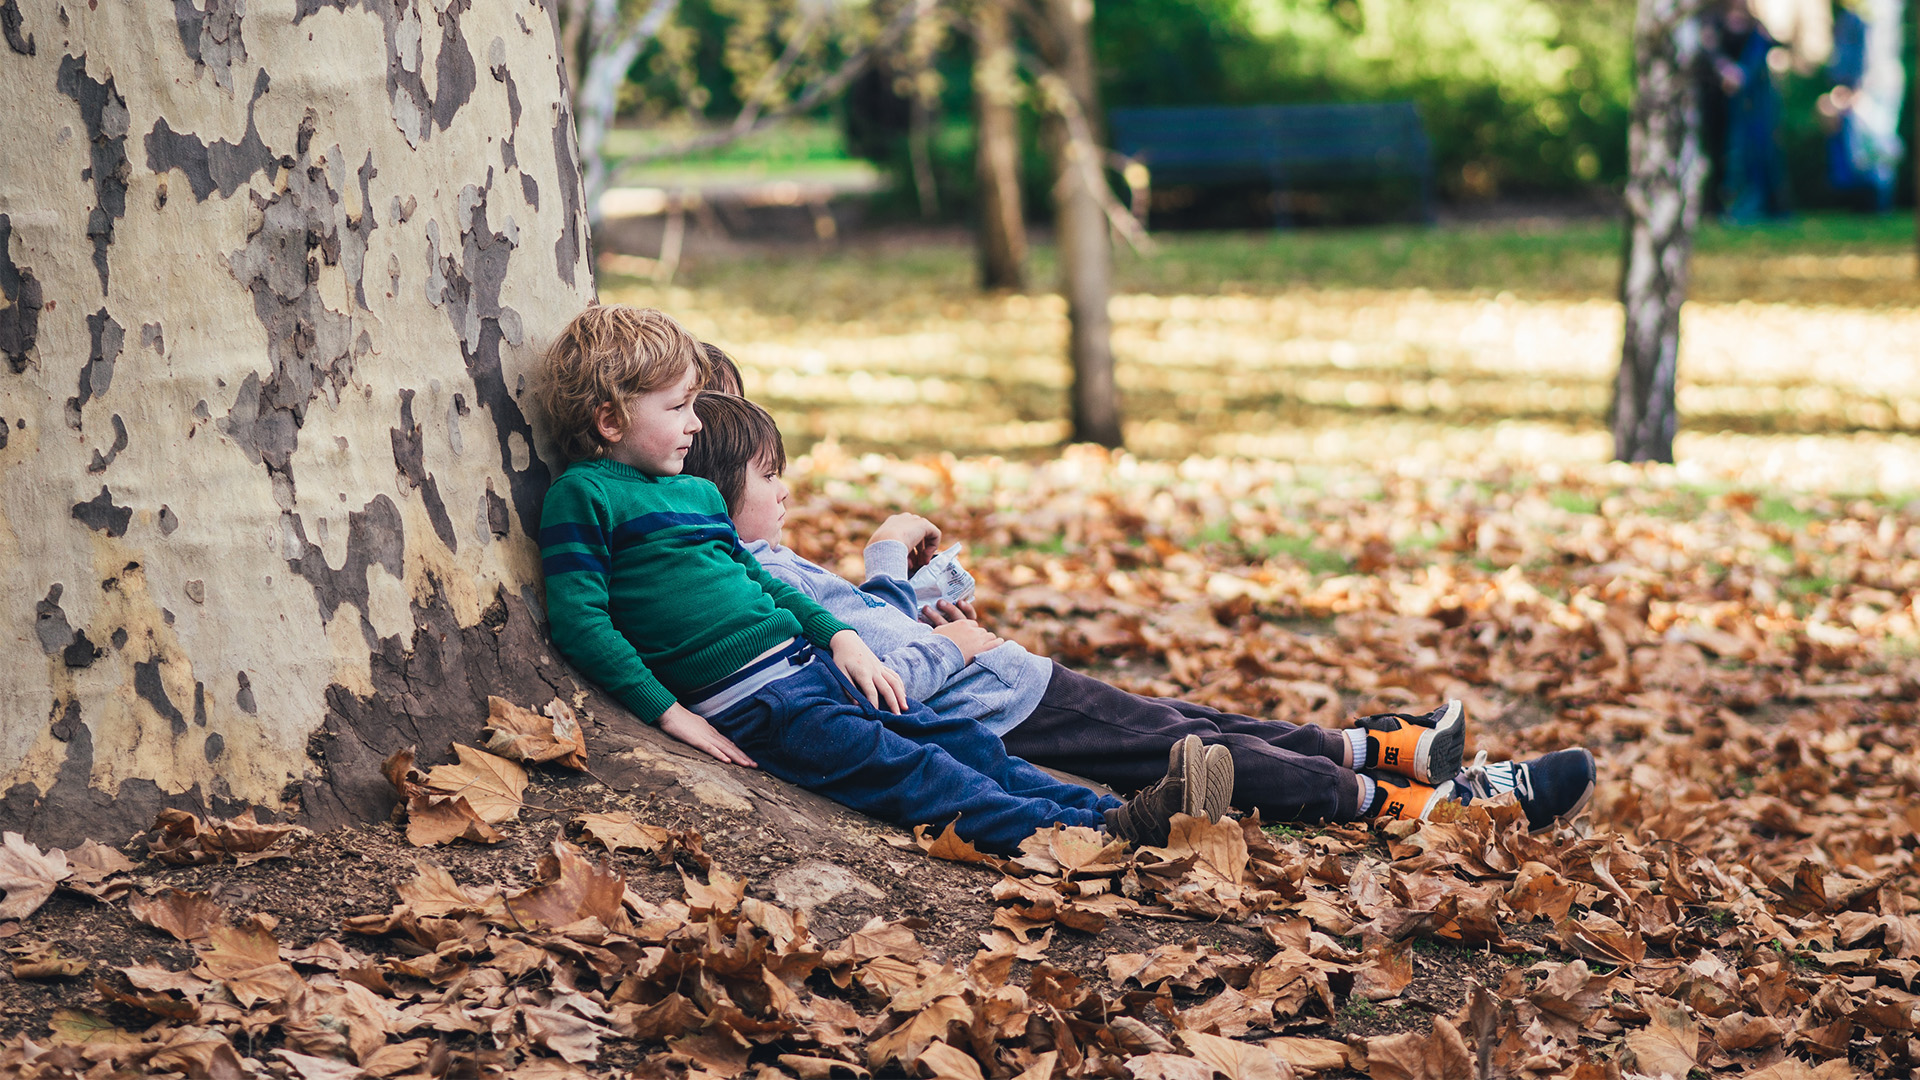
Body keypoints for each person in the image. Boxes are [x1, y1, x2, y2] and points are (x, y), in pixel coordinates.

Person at [678, 389, 1600, 833]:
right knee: (1199, 752)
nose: (788, 491)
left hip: (1009, 680)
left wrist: (923, 599)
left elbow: (877, 636)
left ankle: (1384, 747)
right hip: (1001, 705)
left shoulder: (755, 558)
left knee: (1196, 721)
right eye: (770, 477)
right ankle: (1424, 808)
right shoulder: (745, 576)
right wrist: (913, 597)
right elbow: (883, 668)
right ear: (716, 492)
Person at [535, 304, 1235, 853]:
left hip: (814, 667)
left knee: (961, 744)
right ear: (608, 417)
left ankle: (1127, 817)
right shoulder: (586, 497)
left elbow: (764, 586)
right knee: (917, 776)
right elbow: (582, 622)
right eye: (678, 407)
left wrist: (840, 638)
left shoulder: (694, 495)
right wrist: (669, 713)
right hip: (762, 706)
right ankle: (1085, 842)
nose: (695, 424)